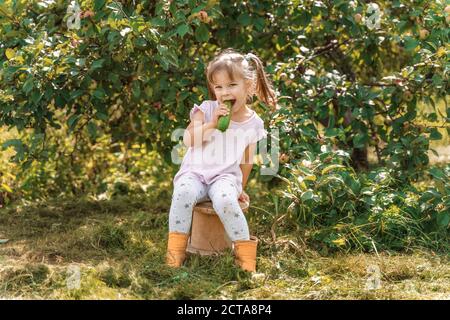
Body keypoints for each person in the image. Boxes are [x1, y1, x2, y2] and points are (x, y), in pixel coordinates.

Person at [166, 48, 277, 272]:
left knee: (227, 201)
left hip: (224, 177)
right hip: (194, 173)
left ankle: (246, 261)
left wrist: (240, 188)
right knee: (183, 193)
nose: (224, 92)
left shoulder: (253, 123)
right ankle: (175, 255)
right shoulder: (206, 110)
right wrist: (212, 124)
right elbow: (188, 140)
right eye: (218, 87)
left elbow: (247, 160)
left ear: (249, 86)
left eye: (231, 85)